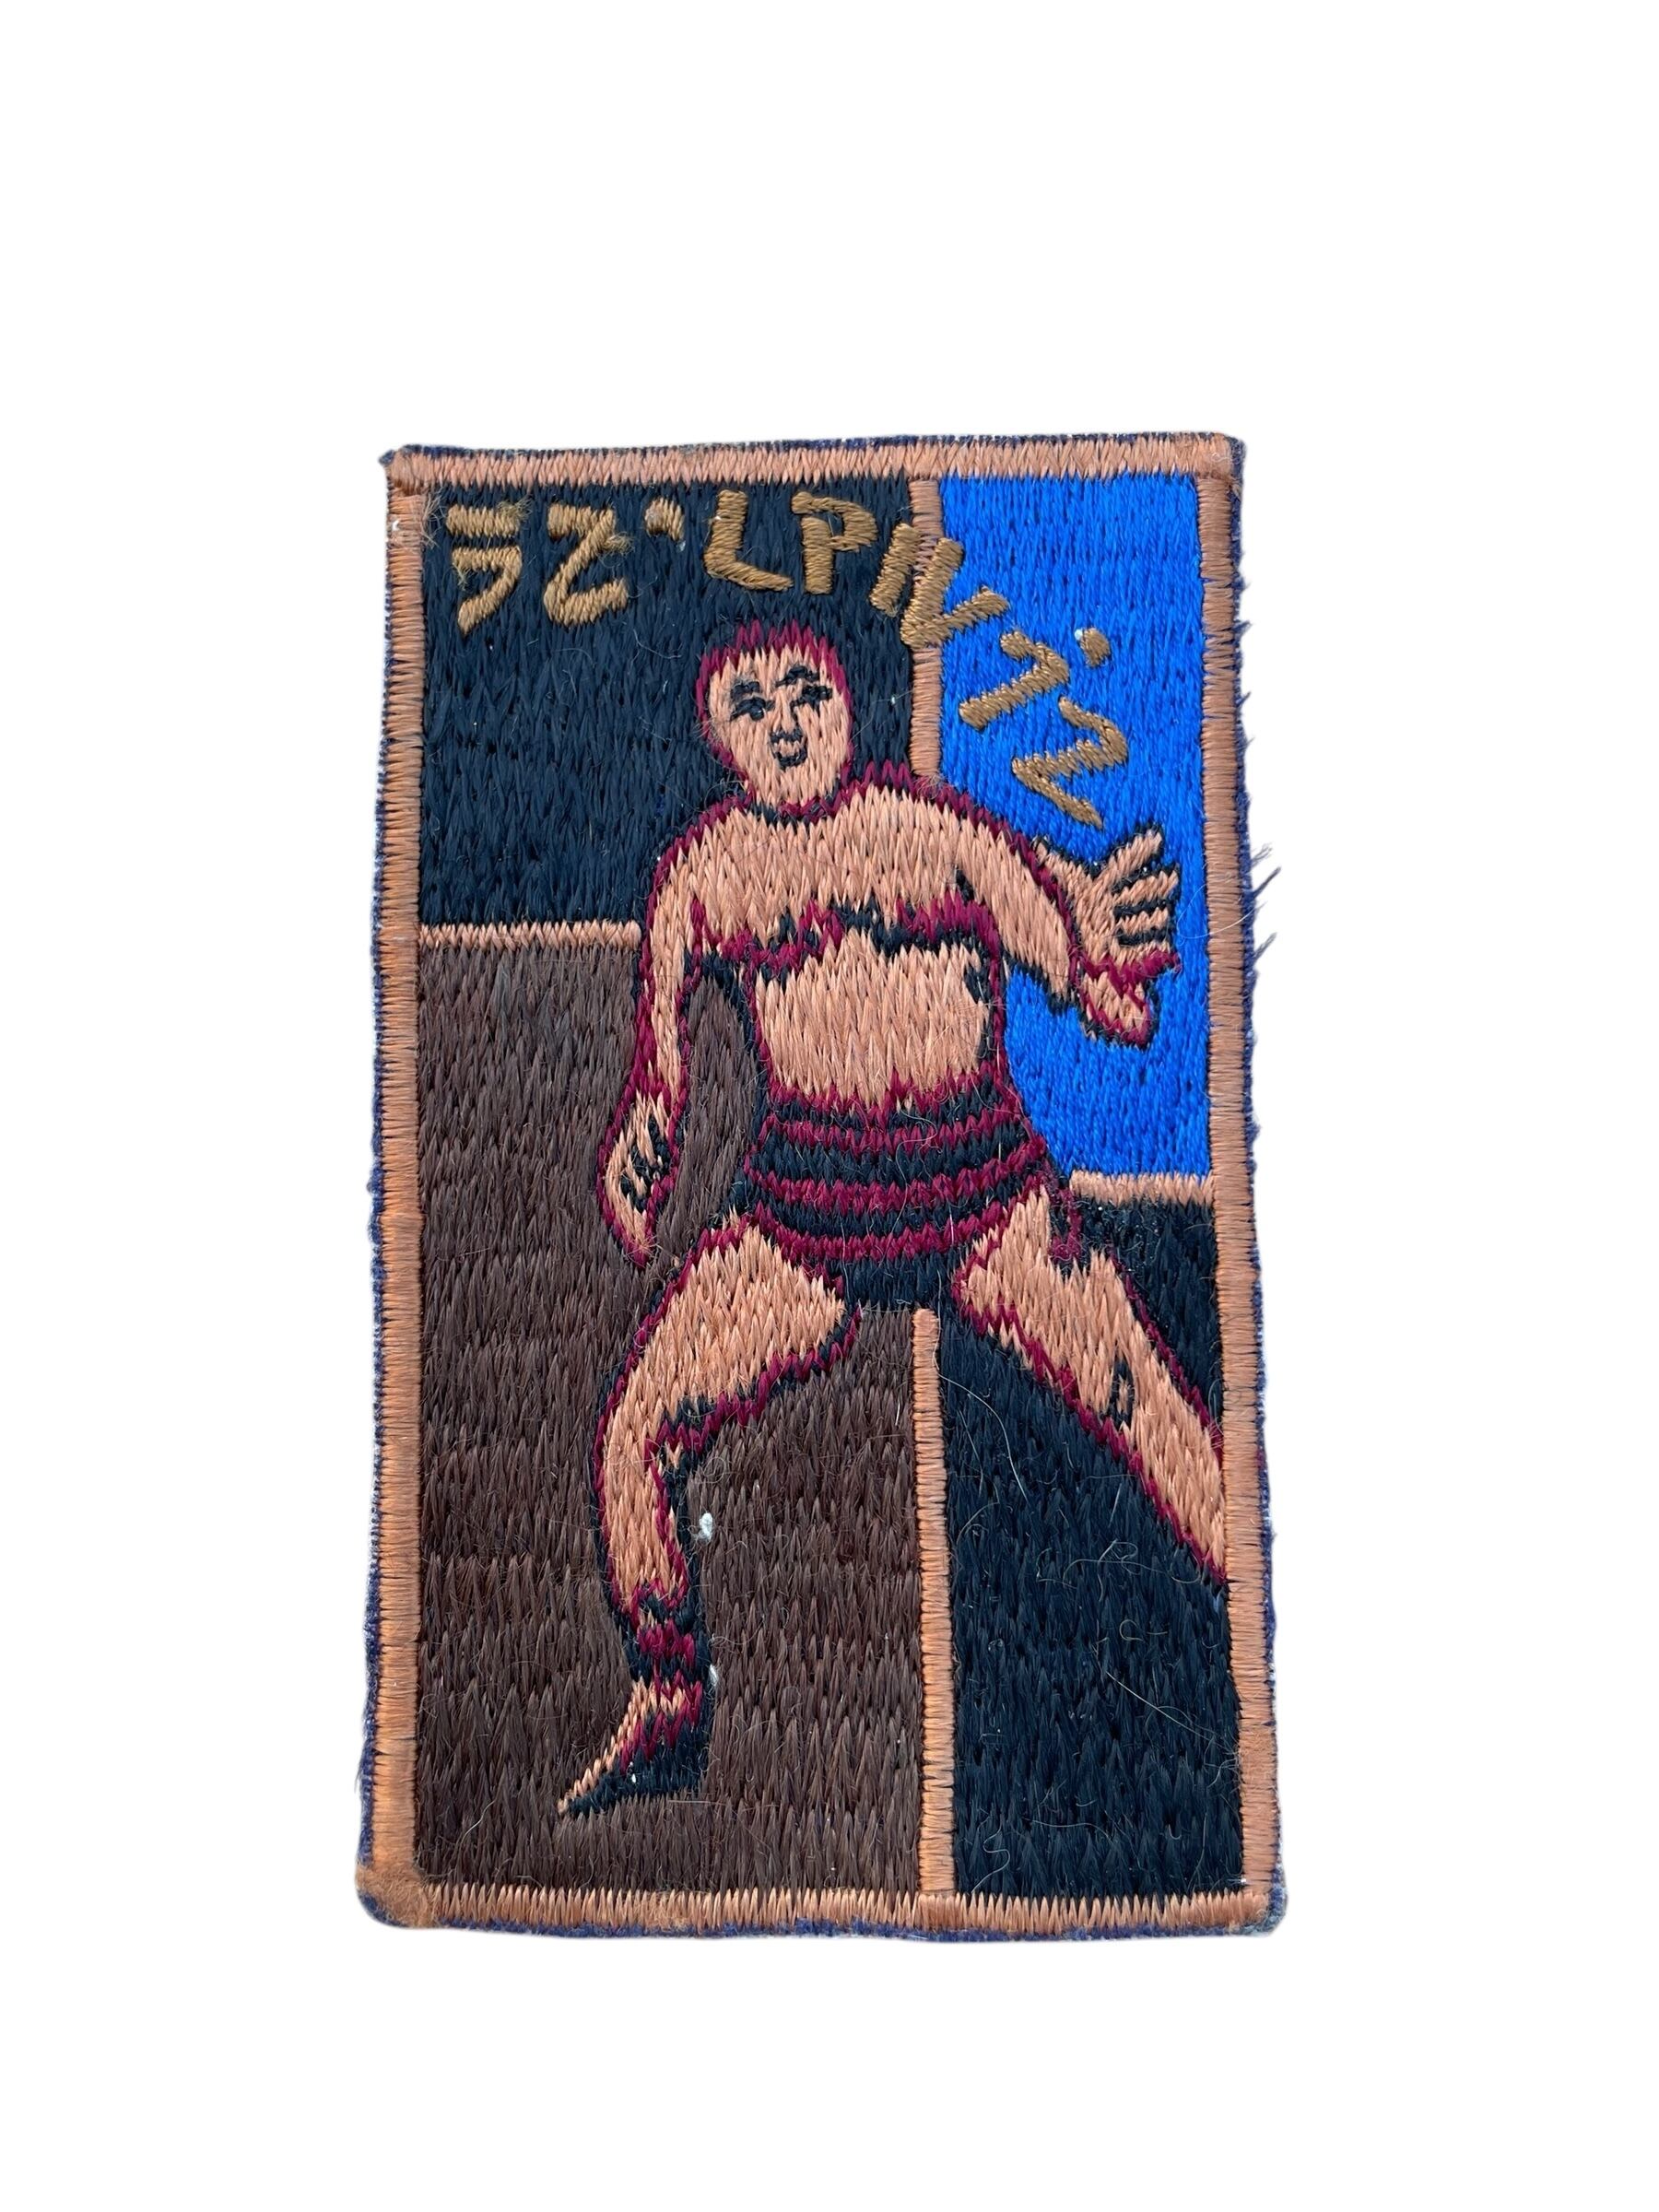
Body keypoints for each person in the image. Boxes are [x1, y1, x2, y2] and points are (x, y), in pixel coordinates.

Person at [561, 620, 1223, 1814]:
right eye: (751, 706)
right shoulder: (700, 879)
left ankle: (1254, 1596)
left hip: (982, 1187)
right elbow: (658, 1077)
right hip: (807, 1208)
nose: (785, 723)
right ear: (717, 739)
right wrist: (639, 1152)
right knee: (631, 1436)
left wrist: (1105, 966)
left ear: (846, 705)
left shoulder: (931, 833)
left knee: (1145, 1398)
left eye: (804, 692)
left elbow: (1080, 974)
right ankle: (667, 1697)